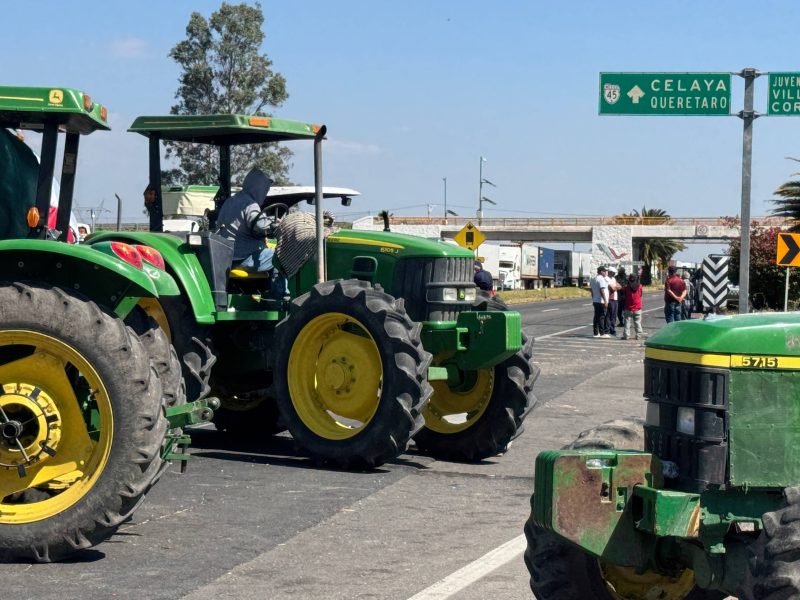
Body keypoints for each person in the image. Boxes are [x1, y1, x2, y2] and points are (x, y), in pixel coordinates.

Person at [215, 168, 286, 299]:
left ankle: (267, 291)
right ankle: (280, 296)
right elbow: (259, 225)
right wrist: (276, 223)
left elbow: (252, 224)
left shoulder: (231, 200)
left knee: (271, 253)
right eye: (265, 189)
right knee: (283, 255)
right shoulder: (250, 203)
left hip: (227, 257)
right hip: (244, 258)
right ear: (259, 188)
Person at [622, 273, 644, 340]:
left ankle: (626, 335)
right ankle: (639, 335)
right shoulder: (640, 286)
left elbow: (625, 295)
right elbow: (640, 295)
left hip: (628, 307)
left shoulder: (626, 287)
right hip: (637, 307)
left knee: (627, 322)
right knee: (637, 322)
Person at [590, 265, 609, 338]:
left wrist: (593, 299)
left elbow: (592, 291)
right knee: (601, 316)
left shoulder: (593, 279)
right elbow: (602, 290)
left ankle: (595, 333)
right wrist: (605, 300)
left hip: (595, 300)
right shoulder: (601, 279)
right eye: (605, 271)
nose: (606, 273)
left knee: (596, 317)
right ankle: (602, 333)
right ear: (601, 272)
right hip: (601, 301)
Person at [604, 268, 621, 336]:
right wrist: (615, 287)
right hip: (610, 299)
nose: (614, 274)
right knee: (609, 315)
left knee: (614, 316)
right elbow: (613, 289)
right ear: (610, 272)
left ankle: (612, 329)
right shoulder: (606, 279)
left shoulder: (613, 279)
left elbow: (620, 286)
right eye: (613, 272)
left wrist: (615, 287)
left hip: (615, 298)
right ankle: (607, 330)